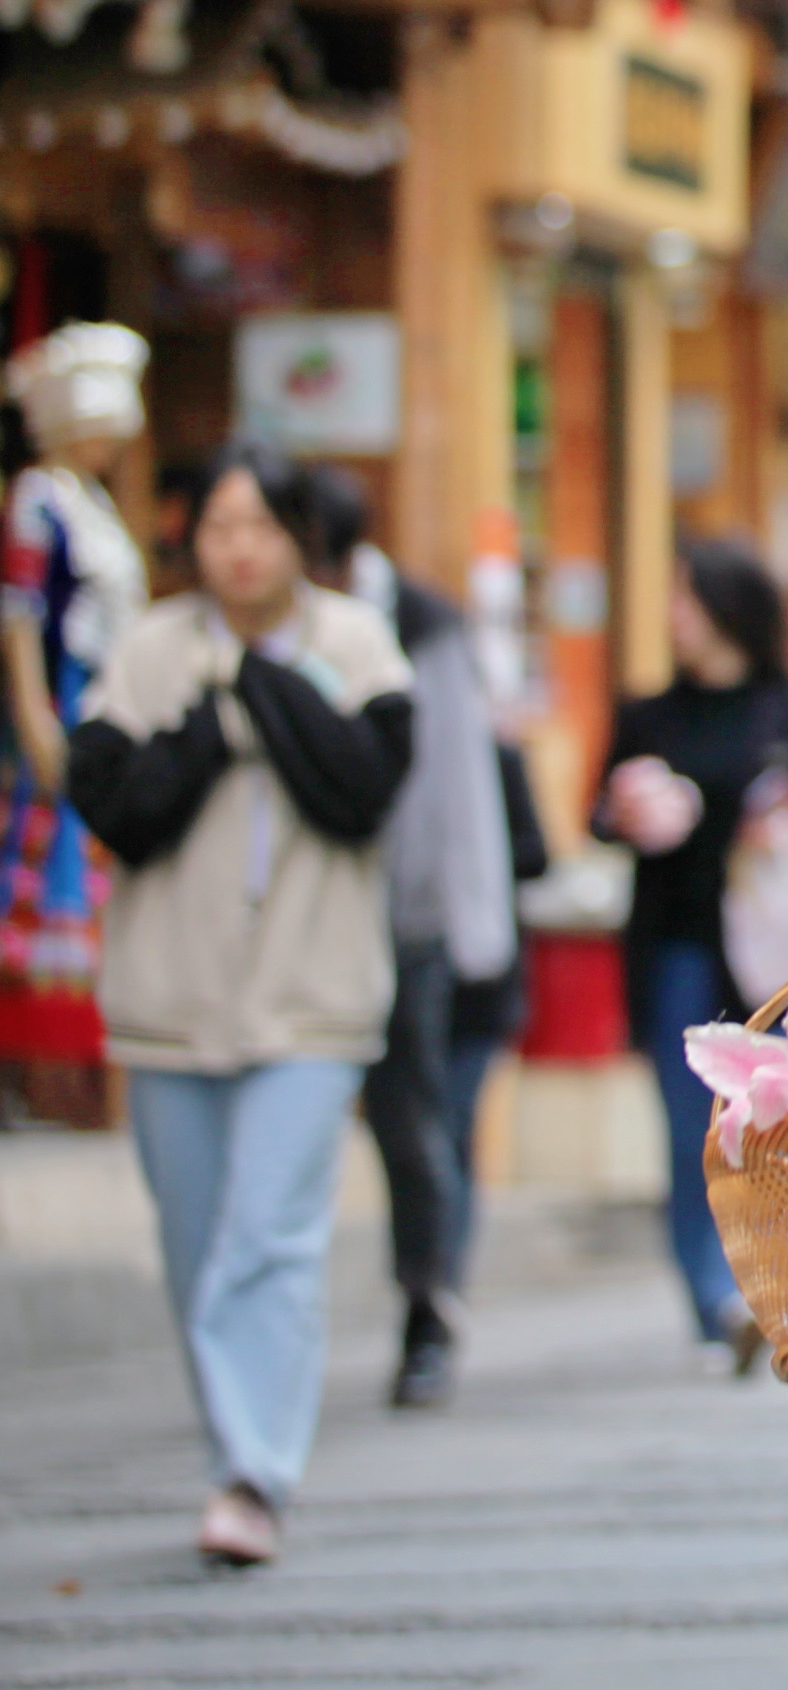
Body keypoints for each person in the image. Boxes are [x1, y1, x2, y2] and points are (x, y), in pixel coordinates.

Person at [68, 443, 412, 1565]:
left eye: (260, 524)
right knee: (194, 1242)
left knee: (270, 1235)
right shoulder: (150, 652)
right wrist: (215, 722)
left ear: (298, 536)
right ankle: (237, 1438)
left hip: (312, 1001)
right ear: (189, 537)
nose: (240, 547)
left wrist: (262, 688)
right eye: (218, 525)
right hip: (171, 1003)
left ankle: (253, 1476)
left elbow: (364, 791)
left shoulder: (353, 642)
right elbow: (117, 807)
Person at [595, 539, 788, 1364]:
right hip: (675, 943)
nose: (672, 615)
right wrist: (627, 814)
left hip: (773, 956)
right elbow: (598, 818)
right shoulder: (648, 715)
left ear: (724, 606)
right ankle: (714, 1298)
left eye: (683, 597)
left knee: (777, 1125)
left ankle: (771, 1286)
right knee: (690, 1132)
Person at [312, 472, 523, 1408]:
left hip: (407, 920)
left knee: (411, 1121)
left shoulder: (421, 623)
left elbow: (453, 792)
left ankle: (425, 1303)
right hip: (295, 923)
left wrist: (470, 926)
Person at [0, 323, 150, 1126]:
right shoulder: (35, 500)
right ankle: (34, 1068)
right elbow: (20, 617)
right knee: (39, 876)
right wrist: (32, 717)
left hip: (104, 707)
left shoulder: (92, 505)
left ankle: (75, 1074)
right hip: (59, 704)